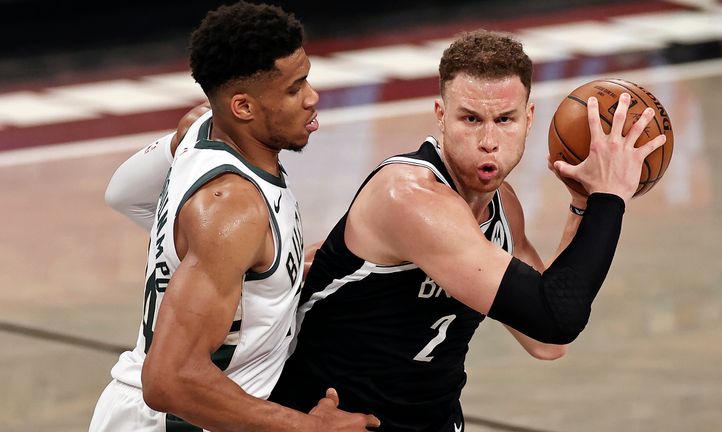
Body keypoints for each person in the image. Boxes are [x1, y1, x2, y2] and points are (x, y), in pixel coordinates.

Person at [267, 30, 666, 431]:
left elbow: (547, 344)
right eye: (471, 119)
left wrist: (582, 200)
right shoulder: (408, 197)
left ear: (529, 119)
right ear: (441, 115)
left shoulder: (504, 209)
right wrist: (609, 199)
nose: (489, 141)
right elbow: (555, 319)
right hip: (332, 419)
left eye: (505, 120)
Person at [89, 2, 379, 431]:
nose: (313, 97)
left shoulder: (197, 129)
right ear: (243, 107)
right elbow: (169, 381)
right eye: (294, 88)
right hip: (176, 421)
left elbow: (123, 194)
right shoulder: (233, 208)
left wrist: (256, 269)